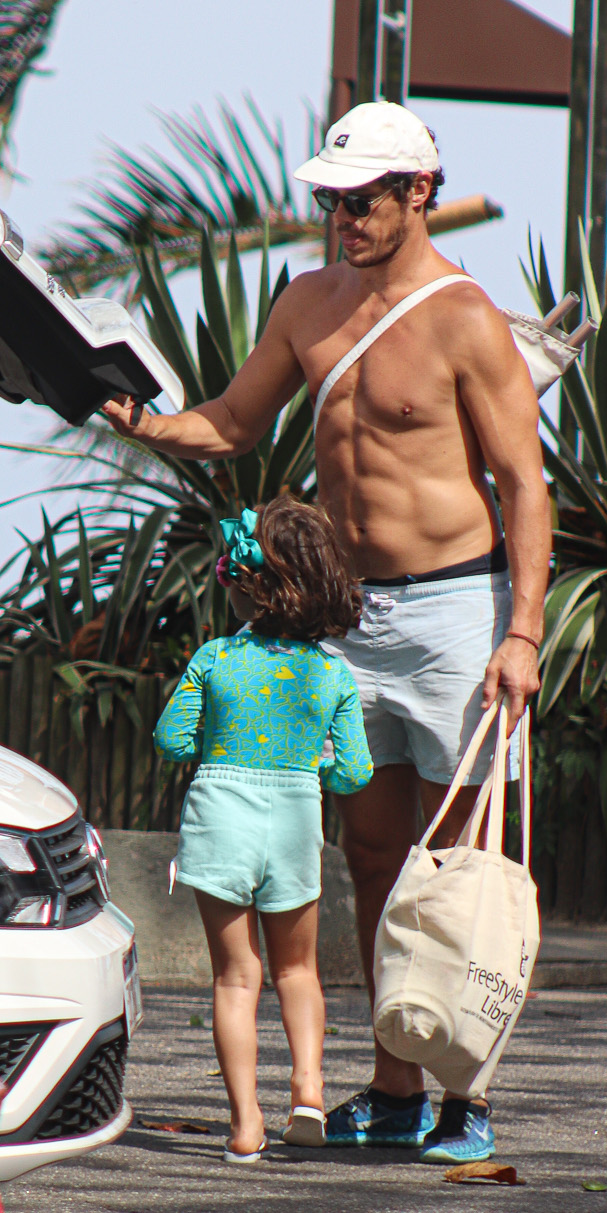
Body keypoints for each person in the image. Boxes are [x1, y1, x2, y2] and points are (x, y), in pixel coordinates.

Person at [106, 100, 551, 1167]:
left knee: (459, 865)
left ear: (419, 195)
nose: (342, 217)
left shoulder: (466, 319)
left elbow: (526, 486)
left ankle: (463, 1091)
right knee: (368, 850)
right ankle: (395, 1089)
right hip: (346, 619)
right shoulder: (307, 303)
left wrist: (523, 631)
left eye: (362, 200)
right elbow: (229, 422)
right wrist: (139, 421)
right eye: (330, 200)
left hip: (456, 610)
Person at [153, 493, 372, 1164]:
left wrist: (211, 745)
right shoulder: (331, 673)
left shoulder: (214, 660)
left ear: (245, 583)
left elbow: (170, 738)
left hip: (220, 812)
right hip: (294, 815)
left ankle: (245, 1123)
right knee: (297, 969)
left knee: (235, 977)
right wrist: (318, 769)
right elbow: (354, 774)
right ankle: (307, 1090)